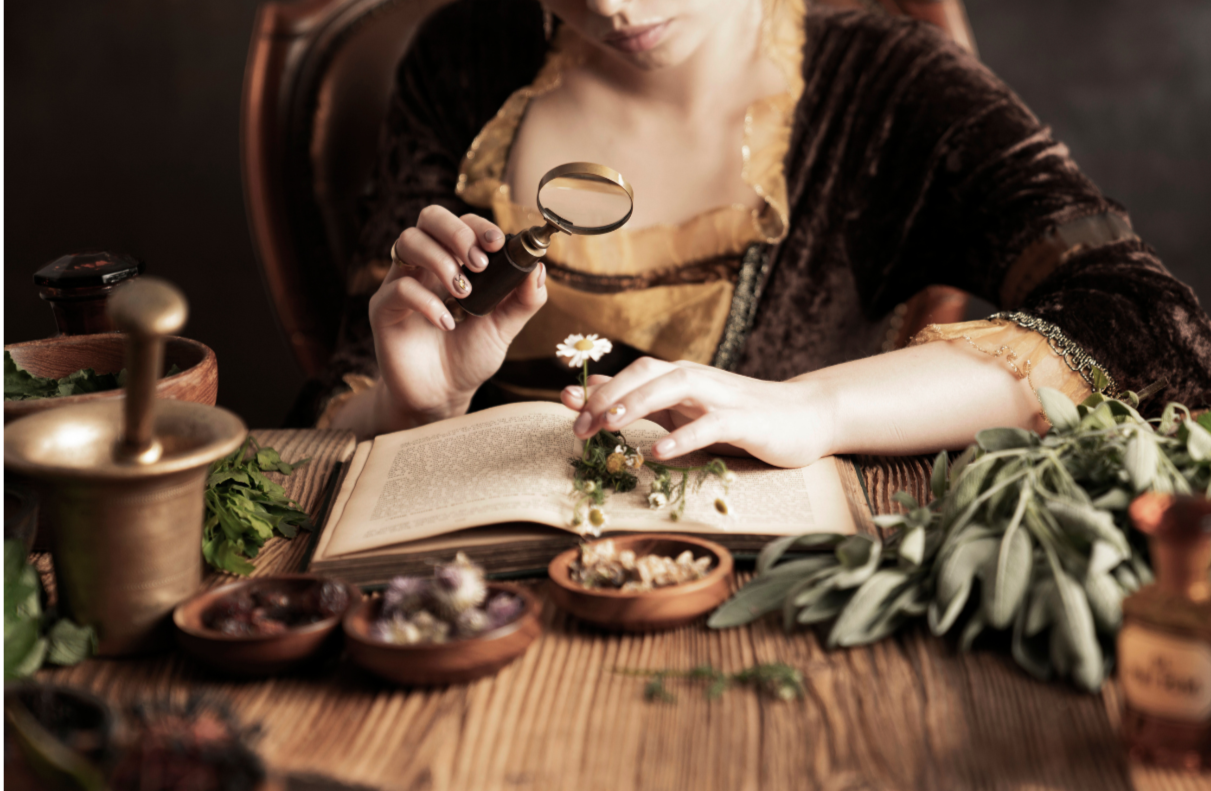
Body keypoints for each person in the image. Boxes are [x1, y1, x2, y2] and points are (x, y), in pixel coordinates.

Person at [315, 0, 1211, 469]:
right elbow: (339, 396)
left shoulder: (889, 86)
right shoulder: (462, 58)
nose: (615, 5)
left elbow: (1151, 324)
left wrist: (813, 408)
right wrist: (413, 408)